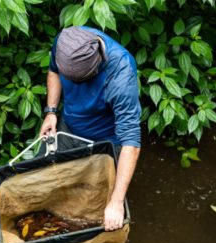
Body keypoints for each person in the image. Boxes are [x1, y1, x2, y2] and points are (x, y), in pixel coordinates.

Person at [39, 26, 141, 232]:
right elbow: (53, 71)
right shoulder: (66, 42)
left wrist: (116, 203)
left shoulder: (121, 76)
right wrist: (51, 112)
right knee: (43, 177)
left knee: (96, 202)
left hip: (105, 142)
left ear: (96, 66)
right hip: (67, 128)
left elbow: (131, 142)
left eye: (81, 80)